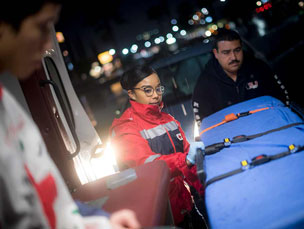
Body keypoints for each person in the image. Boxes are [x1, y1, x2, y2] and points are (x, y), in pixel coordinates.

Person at [0, 1, 140, 228]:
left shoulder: (8, 107)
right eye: (42, 26)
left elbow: (49, 205)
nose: (47, 44)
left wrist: (101, 223)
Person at [110, 65, 208, 228]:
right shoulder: (125, 129)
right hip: (161, 216)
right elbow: (149, 166)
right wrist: (185, 159)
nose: (155, 95)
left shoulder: (167, 120)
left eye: (158, 88)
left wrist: (204, 189)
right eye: (147, 90)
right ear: (131, 93)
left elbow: (188, 161)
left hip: (186, 205)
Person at [192, 29, 286, 125]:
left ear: (241, 48)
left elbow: (282, 100)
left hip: (269, 129)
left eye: (237, 50)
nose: (233, 57)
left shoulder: (259, 69)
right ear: (216, 53)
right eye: (226, 52)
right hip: (232, 138)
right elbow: (203, 123)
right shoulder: (205, 84)